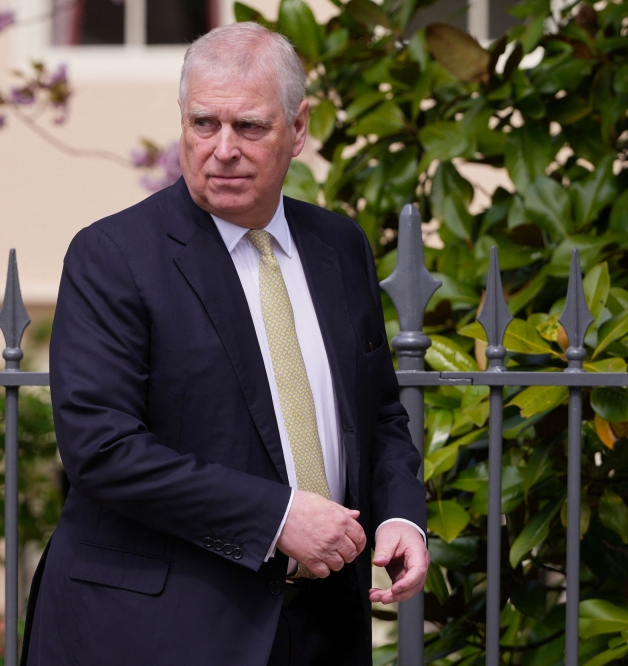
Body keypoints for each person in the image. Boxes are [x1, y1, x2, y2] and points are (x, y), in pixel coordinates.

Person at [25, 21, 428, 666]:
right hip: (156, 631)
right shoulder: (114, 255)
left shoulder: (338, 247)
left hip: (321, 628)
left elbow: (378, 415)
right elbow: (102, 448)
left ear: (298, 129)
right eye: (203, 124)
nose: (223, 150)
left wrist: (400, 517)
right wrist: (278, 518)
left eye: (250, 127)